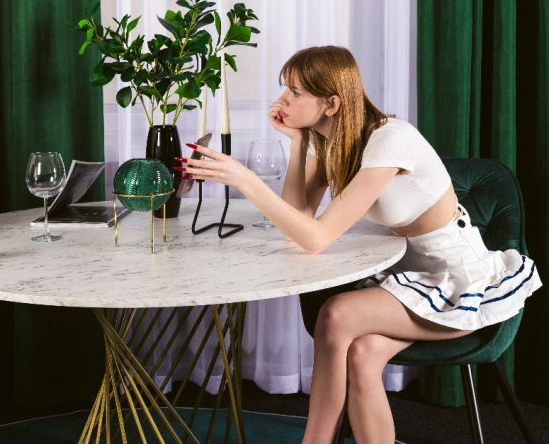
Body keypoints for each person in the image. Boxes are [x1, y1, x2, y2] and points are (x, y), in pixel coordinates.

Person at [178, 46, 542, 443]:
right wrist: (299, 143)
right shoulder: (327, 141)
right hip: (412, 281)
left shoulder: (390, 139)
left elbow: (315, 239)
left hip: (458, 280)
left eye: (296, 92)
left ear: (331, 103)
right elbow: (295, 223)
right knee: (363, 354)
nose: (282, 100)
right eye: (286, 88)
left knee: (336, 315)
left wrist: (245, 180)